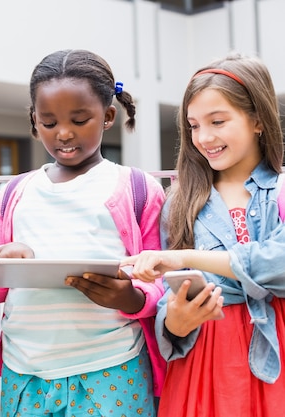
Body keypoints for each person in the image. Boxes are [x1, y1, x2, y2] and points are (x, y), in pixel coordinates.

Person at [0, 49, 166, 417]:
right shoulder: (15, 192)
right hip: (25, 372)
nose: (63, 133)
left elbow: (161, 280)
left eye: (80, 120)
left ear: (108, 115)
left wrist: (130, 297)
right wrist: (5, 261)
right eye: (48, 123)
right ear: (34, 121)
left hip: (112, 367)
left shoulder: (137, 187)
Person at [122, 53, 285, 416]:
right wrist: (177, 320)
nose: (204, 137)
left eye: (218, 121)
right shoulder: (180, 202)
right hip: (204, 364)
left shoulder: (281, 191)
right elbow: (168, 302)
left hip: (277, 353)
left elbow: (279, 265)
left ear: (257, 120)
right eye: (194, 125)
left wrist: (186, 258)